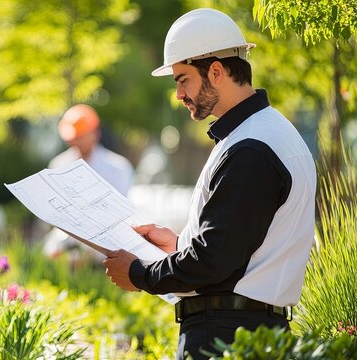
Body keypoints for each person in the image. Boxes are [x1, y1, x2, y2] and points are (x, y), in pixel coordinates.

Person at [102, 8, 316, 360]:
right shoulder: (264, 134)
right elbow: (234, 248)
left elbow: (212, 261)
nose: (179, 94)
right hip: (244, 329)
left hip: (227, 334)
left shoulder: (251, 148)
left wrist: (139, 274)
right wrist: (178, 244)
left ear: (216, 71)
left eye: (183, 79)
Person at [44, 104, 134, 260]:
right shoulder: (58, 164)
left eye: (80, 136)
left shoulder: (118, 167)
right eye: (73, 137)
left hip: (107, 240)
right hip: (68, 237)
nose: (75, 141)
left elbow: (120, 211)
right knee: (50, 252)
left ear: (95, 133)